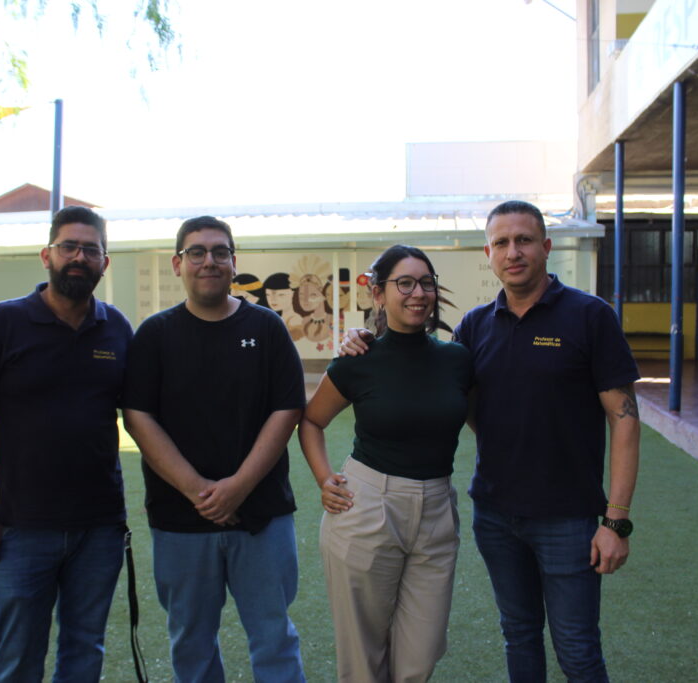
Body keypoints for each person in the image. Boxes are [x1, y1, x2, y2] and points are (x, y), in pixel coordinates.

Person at [342, 200, 641, 682]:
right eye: (501, 242)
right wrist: (361, 337)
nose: (513, 252)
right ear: (489, 253)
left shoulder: (589, 316)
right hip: (497, 516)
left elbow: (624, 420)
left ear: (546, 246)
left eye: (524, 240)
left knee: (577, 650)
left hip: (568, 518)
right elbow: (443, 382)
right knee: (518, 636)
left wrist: (616, 520)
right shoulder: (475, 326)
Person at [122, 215, 307, 682]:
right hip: (180, 521)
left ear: (233, 262)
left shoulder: (266, 328)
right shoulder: (155, 334)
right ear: (177, 264)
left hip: (261, 516)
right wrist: (199, 490)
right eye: (197, 252)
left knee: (273, 637)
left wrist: (238, 487)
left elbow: (287, 409)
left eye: (220, 252)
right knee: (191, 642)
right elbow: (138, 417)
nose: (209, 261)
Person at [0, 206, 132, 682]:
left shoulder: (117, 329)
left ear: (104, 262)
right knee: (18, 656)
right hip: (21, 528)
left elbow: (142, 416)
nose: (79, 257)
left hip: (99, 527)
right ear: (46, 255)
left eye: (90, 250)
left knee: (85, 649)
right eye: (68, 246)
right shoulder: (1, 324)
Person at [300, 245, 472, 683]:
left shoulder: (457, 360)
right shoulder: (359, 360)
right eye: (405, 283)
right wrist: (324, 478)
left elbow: (484, 421)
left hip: (436, 511)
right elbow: (311, 421)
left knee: (421, 656)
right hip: (367, 506)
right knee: (363, 661)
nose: (418, 293)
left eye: (426, 283)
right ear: (378, 294)